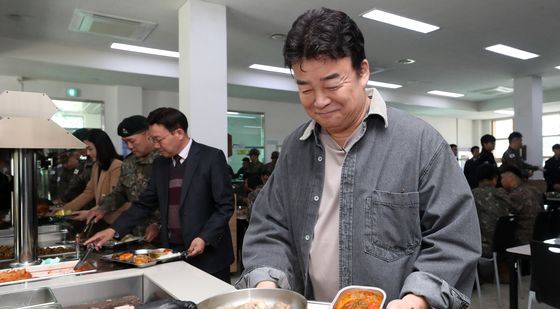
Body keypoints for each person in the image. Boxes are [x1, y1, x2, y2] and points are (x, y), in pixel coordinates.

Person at [237, 8, 480, 309]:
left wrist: (417, 300)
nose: (319, 101)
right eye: (305, 89)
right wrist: (268, 285)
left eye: (331, 85)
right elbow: (269, 228)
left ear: (362, 71)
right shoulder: (294, 149)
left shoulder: (419, 144)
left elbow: (455, 239)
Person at [85, 107, 234, 282]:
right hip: (172, 253)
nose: (156, 145)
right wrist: (113, 230)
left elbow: (225, 206)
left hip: (209, 255)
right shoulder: (161, 164)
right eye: (152, 140)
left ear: (178, 133)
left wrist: (204, 237)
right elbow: (144, 204)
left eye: (158, 139)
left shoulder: (211, 157)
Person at [83, 116, 160, 241]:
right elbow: (120, 192)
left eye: (132, 141)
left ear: (148, 134)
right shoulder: (129, 162)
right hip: (132, 231)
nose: (129, 146)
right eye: (125, 142)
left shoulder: (163, 159)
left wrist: (159, 225)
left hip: (159, 232)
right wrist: (103, 208)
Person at [58, 129, 122, 212]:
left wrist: (90, 213)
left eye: (90, 149)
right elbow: (89, 192)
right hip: (100, 215)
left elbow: (113, 198)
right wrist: (64, 210)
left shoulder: (117, 166)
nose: (87, 153)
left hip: (113, 219)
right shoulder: (96, 165)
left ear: (101, 147)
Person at [471, 164, 511, 258]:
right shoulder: (504, 194)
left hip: (484, 246)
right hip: (506, 244)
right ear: (495, 178)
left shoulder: (472, 195)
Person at [499, 165, 544, 245]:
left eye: (502, 178)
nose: (500, 182)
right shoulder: (536, 190)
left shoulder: (515, 195)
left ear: (510, 178)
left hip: (522, 238)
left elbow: (504, 218)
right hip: (539, 236)